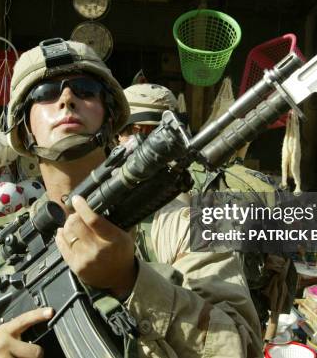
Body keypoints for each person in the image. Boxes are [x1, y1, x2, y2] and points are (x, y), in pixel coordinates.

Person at [0, 40, 262, 358]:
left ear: (109, 116)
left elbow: (243, 347)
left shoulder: (182, 225)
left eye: (84, 89)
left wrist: (131, 280)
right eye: (45, 93)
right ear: (24, 131)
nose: (66, 99)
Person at [119, 82, 296, 334]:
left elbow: (208, 309)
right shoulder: (124, 185)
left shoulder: (200, 194)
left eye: (134, 131)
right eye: (121, 132)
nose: (122, 141)